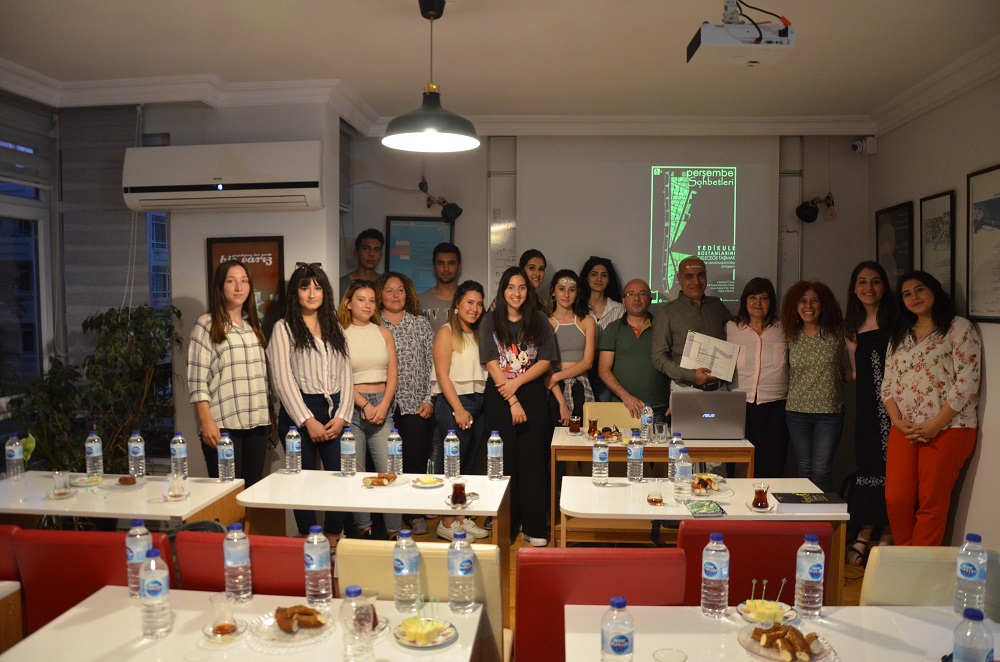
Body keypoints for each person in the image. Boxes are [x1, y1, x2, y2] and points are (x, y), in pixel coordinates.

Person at [882, 271, 981, 546]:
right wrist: (897, 420)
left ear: (934, 291)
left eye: (919, 290)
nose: (914, 297)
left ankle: (920, 566)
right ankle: (906, 558)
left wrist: (935, 424)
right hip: (905, 427)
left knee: (931, 502)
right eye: (907, 294)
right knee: (897, 498)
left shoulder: (959, 328)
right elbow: (887, 384)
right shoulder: (900, 334)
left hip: (949, 427)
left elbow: (967, 382)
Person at [267, 262, 353, 544]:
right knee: (300, 479)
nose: (312, 293)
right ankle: (309, 540)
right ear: (295, 293)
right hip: (298, 413)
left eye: (317, 287)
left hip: (335, 410)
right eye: (305, 288)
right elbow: (282, 379)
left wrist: (342, 416)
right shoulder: (284, 328)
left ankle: (333, 537)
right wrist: (307, 420)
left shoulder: (335, 327)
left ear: (325, 292)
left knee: (342, 476)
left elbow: (347, 374)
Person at [480, 266, 555, 547]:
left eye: (522, 287)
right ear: (502, 291)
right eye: (511, 287)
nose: (516, 293)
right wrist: (511, 397)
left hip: (532, 392)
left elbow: (545, 361)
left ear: (528, 291)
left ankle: (534, 526)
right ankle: (506, 527)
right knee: (503, 461)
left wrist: (517, 384)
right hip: (500, 396)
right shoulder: (490, 321)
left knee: (533, 461)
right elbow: (491, 362)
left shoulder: (539, 320)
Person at [187, 259, 270, 487]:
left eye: (244, 281)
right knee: (226, 494)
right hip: (223, 424)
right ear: (220, 286)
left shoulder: (253, 325)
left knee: (252, 492)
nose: (239, 287)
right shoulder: (206, 324)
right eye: (231, 281)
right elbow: (196, 380)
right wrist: (206, 421)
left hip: (257, 424)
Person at [377, 271, 440, 537]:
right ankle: (386, 516)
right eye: (389, 290)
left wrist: (429, 399)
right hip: (382, 406)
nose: (395, 295)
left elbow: (433, 363)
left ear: (408, 294)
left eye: (400, 290)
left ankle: (414, 513)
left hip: (416, 404)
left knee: (415, 460)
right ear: (380, 294)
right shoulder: (373, 325)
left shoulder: (420, 324)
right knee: (386, 463)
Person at [338, 279, 402, 538]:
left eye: (372, 300)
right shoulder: (339, 334)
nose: (367, 305)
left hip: (383, 406)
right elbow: (340, 377)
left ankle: (394, 531)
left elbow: (393, 373)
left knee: (391, 469)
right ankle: (364, 529)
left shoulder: (384, 332)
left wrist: (383, 405)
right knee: (356, 473)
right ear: (348, 303)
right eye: (361, 300)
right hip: (353, 408)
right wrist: (363, 404)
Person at [843, 261, 897, 565]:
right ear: (854, 288)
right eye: (862, 282)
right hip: (866, 410)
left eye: (875, 281)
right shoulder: (851, 327)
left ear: (884, 286)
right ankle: (865, 531)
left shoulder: (898, 322)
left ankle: (887, 532)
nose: (869, 288)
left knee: (893, 470)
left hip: (896, 410)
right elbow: (856, 373)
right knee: (869, 466)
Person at [432, 280, 490, 541]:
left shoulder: (480, 333)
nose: (474, 308)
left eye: (479, 304)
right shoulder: (446, 332)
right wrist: (458, 409)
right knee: (452, 465)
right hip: (454, 403)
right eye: (470, 302)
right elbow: (442, 375)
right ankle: (446, 521)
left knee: (467, 465)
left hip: (478, 401)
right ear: (457, 304)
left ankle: (460, 517)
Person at [781, 280, 845, 494]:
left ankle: (823, 514)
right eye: (802, 301)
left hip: (829, 413)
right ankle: (807, 512)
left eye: (814, 300)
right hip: (796, 412)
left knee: (821, 470)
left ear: (823, 304)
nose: (808, 306)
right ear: (795, 306)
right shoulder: (789, 334)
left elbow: (855, 363)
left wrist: (848, 375)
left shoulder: (838, 333)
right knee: (805, 469)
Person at [725, 277, 789, 478]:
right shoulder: (731, 328)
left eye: (764, 298)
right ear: (745, 300)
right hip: (738, 406)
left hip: (775, 407)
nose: (758, 303)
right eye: (752, 297)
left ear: (771, 302)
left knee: (771, 465)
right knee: (737, 465)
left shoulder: (784, 328)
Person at [651, 255, 731, 392]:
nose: (696, 281)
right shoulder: (666, 312)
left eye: (701, 275)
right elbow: (658, 358)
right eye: (689, 276)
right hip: (686, 389)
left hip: (720, 388)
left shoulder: (717, 305)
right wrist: (691, 376)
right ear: (679, 279)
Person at [598, 279, 669, 420]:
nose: (636, 298)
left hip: (657, 408)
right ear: (623, 301)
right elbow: (603, 370)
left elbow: (672, 365)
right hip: (622, 407)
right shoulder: (612, 329)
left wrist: (674, 398)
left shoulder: (663, 328)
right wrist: (626, 397)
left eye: (642, 294)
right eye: (631, 294)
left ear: (650, 300)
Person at [545, 269, 597, 424]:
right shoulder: (546, 322)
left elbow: (588, 362)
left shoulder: (587, 321)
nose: (566, 295)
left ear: (577, 293)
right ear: (553, 291)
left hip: (580, 383)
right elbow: (545, 363)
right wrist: (562, 402)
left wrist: (557, 376)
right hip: (554, 387)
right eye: (562, 289)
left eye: (571, 290)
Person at [578, 256, 625, 402]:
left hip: (609, 369)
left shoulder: (619, 309)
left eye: (604, 275)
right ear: (586, 278)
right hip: (581, 368)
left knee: (605, 409)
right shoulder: (577, 308)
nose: (599, 279)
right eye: (594, 274)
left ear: (609, 280)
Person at [418, 242, 462, 330]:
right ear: (434, 267)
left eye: (451, 263)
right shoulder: (420, 301)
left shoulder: (470, 300)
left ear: (459, 267)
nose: (446, 268)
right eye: (441, 263)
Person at [338, 228, 384, 295]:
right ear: (356, 253)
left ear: (381, 255)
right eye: (366, 249)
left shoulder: (385, 283)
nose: (371, 254)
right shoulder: (341, 284)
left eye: (376, 250)